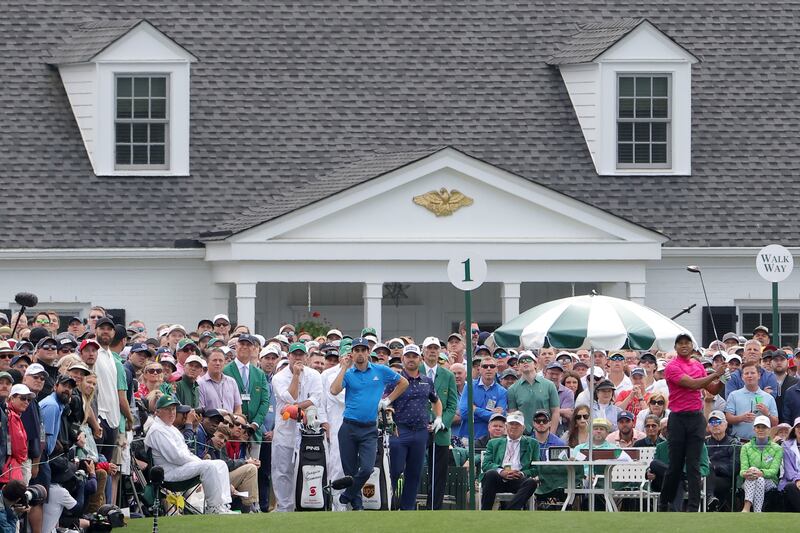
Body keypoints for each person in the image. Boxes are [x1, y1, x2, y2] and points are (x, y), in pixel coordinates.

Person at [330, 337, 408, 511]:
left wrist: (387, 400)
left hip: (369, 428)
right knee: (350, 471)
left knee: (366, 469)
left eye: (363, 350)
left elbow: (404, 382)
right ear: (352, 353)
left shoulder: (380, 370)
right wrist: (343, 367)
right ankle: (357, 506)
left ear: (368, 352)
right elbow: (334, 390)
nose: (359, 353)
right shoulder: (348, 373)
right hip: (349, 427)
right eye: (356, 350)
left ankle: (347, 495)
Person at [659, 333, 725, 513]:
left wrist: (722, 379)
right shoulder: (672, 367)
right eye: (680, 343)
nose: (684, 346)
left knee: (694, 463)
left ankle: (693, 508)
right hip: (678, 418)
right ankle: (664, 501)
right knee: (676, 464)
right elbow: (693, 385)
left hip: (696, 418)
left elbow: (711, 388)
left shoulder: (697, 365)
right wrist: (715, 374)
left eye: (687, 342)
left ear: (692, 345)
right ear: (675, 347)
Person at [144, 394, 235, 514]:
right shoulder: (157, 430)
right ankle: (213, 508)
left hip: (180, 468)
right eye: (167, 409)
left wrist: (198, 462)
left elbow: (184, 453)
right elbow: (177, 457)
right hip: (169, 474)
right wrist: (199, 462)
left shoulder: (170, 428)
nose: (172, 413)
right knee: (209, 466)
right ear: (158, 412)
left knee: (220, 464)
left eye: (173, 409)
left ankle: (222, 505)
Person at [385, 344, 443, 510]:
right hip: (399, 430)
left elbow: (436, 400)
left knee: (414, 473)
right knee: (394, 471)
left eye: (414, 356)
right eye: (408, 356)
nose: (411, 359)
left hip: (420, 432)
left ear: (420, 359)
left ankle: (407, 509)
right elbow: (386, 402)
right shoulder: (394, 381)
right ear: (403, 359)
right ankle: (389, 505)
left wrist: (438, 417)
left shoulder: (427, 381)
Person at [269, 341, 322, 512]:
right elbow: (290, 398)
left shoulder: (314, 375)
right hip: (284, 432)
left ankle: (303, 505)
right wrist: (296, 376)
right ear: (289, 356)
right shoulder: (278, 377)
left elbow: (315, 399)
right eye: (294, 354)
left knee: (305, 470)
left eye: (301, 354)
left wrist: (295, 407)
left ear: (306, 357)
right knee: (282, 471)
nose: (298, 357)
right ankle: (284, 508)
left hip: (307, 433)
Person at [420, 336, 458, 510]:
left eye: (436, 348)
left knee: (438, 474)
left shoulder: (448, 375)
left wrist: (441, 421)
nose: (433, 351)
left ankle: (433, 508)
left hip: (440, 432)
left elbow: (452, 404)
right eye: (429, 348)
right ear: (423, 351)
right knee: (415, 470)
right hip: (417, 430)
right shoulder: (415, 370)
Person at [479, 412, 539, 510]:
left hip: (517, 479)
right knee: (490, 474)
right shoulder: (493, 443)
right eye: (511, 424)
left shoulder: (532, 444)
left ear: (523, 428)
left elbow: (536, 468)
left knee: (531, 483)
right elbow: (485, 464)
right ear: (506, 426)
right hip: (498, 478)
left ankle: (510, 511)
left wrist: (521, 473)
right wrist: (501, 471)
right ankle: (486, 512)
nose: (514, 427)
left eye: (517, 424)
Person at [223, 334, 270, 460]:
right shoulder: (226, 371)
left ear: (254, 348)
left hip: (253, 432)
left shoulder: (259, 374)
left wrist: (254, 424)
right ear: (236, 347)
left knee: (252, 470)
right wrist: (237, 424)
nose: (245, 347)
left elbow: (265, 401)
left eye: (248, 344)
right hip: (232, 431)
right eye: (242, 344)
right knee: (233, 470)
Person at [506, 352, 558, 435]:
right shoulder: (512, 389)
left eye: (528, 360)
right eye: (522, 361)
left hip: (544, 433)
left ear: (535, 364)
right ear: (518, 367)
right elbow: (513, 415)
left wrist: (551, 434)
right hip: (524, 435)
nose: (525, 362)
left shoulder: (549, 385)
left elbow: (555, 411)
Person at [725, 362, 779, 440]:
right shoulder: (733, 395)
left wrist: (767, 413)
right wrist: (742, 418)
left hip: (762, 443)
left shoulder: (769, 398)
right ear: (742, 377)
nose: (749, 376)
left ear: (759, 375)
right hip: (739, 442)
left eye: (753, 373)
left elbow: (775, 423)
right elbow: (728, 419)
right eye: (746, 373)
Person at [457, 355, 508, 439]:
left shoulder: (502, 392)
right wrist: (491, 415)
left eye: (492, 366)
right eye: (485, 366)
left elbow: (498, 419)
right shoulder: (469, 386)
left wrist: (475, 409)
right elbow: (464, 413)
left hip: (491, 439)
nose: (488, 369)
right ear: (479, 370)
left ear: (496, 370)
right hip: (468, 437)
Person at [740, 415, 783, 512]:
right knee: (757, 477)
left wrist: (761, 473)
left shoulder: (777, 448)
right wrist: (746, 473)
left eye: (764, 427)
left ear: (769, 429)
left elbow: (774, 471)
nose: (761, 430)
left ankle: (746, 507)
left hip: (770, 482)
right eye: (758, 427)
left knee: (760, 479)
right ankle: (757, 512)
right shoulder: (746, 447)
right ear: (754, 429)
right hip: (749, 480)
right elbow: (742, 470)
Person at [705, 410, 739, 512]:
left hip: (725, 480)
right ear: (708, 426)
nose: (715, 425)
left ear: (725, 424)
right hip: (704, 478)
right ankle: (710, 499)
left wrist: (715, 468)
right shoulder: (704, 443)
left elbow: (734, 469)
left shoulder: (733, 443)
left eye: (718, 422)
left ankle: (709, 499)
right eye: (712, 422)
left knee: (709, 467)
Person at [779, 416, 800, 512]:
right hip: (792, 482)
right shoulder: (786, 446)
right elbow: (789, 470)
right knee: (790, 487)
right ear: (794, 430)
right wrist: (797, 480)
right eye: (798, 426)